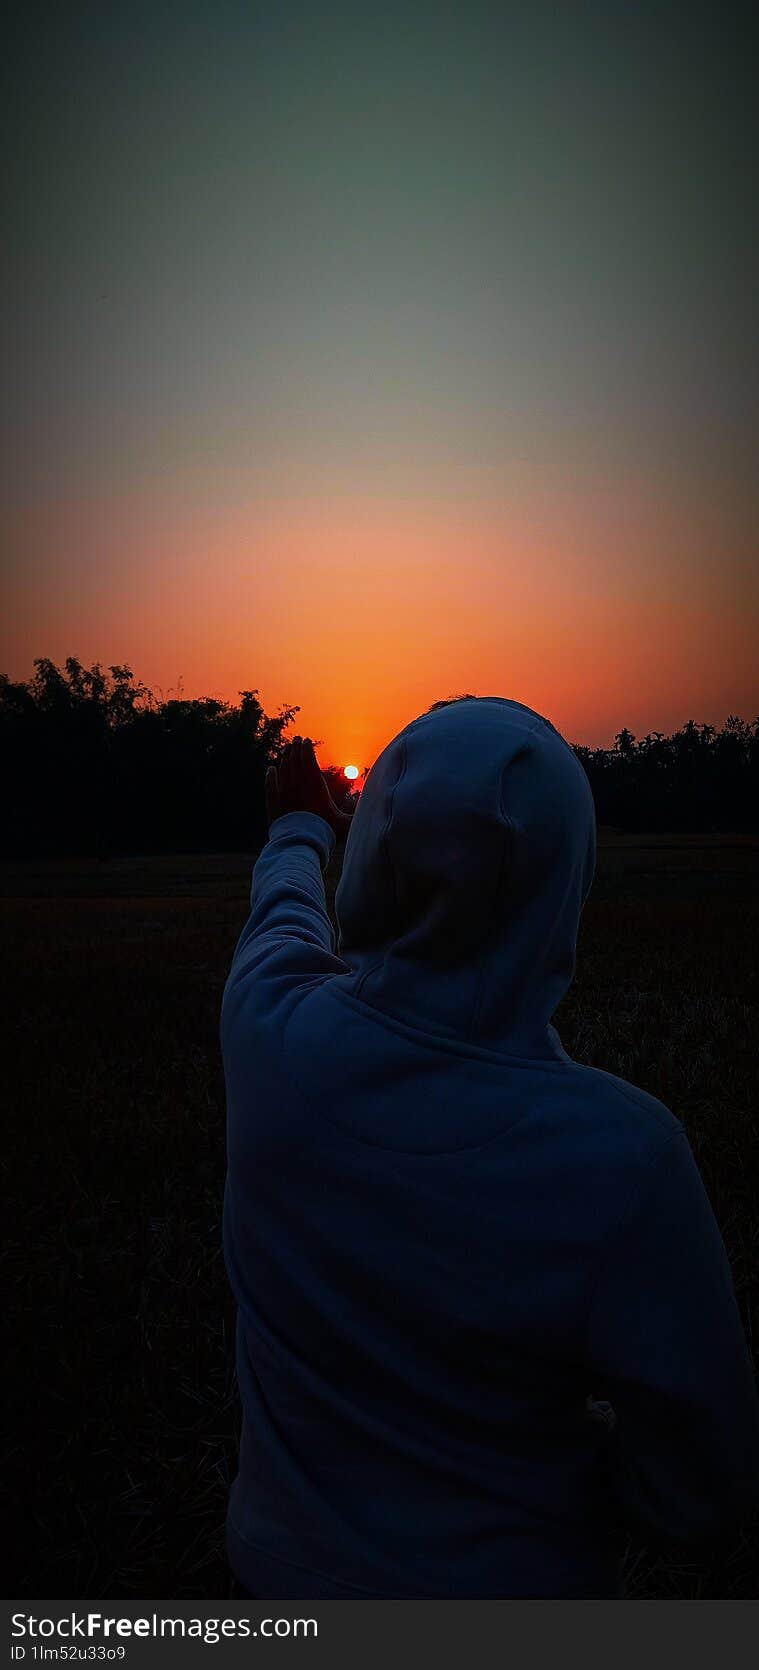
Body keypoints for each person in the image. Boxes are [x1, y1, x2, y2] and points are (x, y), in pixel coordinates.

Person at [220, 696, 759, 1599]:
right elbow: (705, 1493)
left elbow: (282, 914)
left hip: (275, 1575)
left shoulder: (265, 1028)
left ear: (373, 863)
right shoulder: (622, 1157)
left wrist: (306, 832)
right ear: (568, 881)